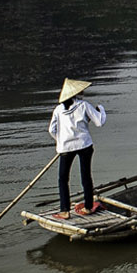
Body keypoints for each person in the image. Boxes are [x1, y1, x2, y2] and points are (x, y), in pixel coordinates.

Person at [49, 78, 108, 218]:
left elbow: (52, 130)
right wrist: (101, 110)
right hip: (84, 145)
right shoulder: (83, 105)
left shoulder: (58, 110)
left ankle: (64, 210)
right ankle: (88, 207)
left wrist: (61, 141)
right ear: (75, 93)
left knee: (63, 178)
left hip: (65, 148)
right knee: (86, 176)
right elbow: (99, 122)